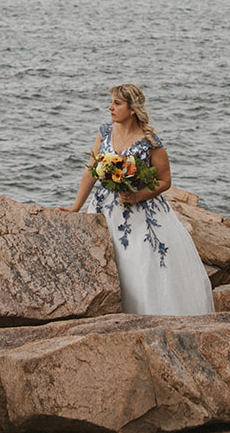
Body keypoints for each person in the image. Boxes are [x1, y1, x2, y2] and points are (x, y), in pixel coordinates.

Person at [62, 83, 214, 317]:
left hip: (142, 213)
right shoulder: (104, 131)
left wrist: (137, 195)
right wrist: (76, 207)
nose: (110, 107)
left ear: (132, 109)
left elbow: (164, 181)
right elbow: (91, 171)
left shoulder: (150, 142)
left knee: (140, 264)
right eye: (111, 102)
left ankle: (145, 317)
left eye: (117, 103)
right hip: (105, 209)